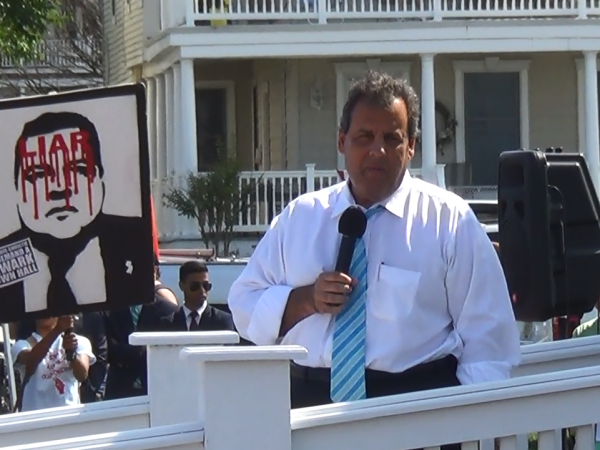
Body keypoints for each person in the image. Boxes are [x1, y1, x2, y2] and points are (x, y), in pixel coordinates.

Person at [228, 71, 521, 414]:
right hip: (309, 409)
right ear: (342, 141)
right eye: (364, 136)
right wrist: (306, 300)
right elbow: (243, 305)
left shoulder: (449, 221)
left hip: (415, 410)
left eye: (392, 138)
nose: (377, 150)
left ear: (411, 146)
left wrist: (471, 425)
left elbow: (489, 343)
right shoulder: (301, 218)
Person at [0, 111, 154, 321]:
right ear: (16, 188)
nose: (59, 188)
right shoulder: (5, 257)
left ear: (100, 177)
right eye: (38, 174)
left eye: (77, 169)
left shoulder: (133, 241)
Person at [11, 315, 95, 412]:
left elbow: (82, 375)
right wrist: (57, 329)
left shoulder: (77, 341)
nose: (45, 314)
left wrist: (71, 354)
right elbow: (31, 360)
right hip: (34, 417)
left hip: (69, 414)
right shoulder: (22, 345)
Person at [158, 261, 235, 332]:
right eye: (195, 286)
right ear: (181, 286)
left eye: (206, 286)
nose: (202, 291)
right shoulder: (167, 323)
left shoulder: (222, 321)